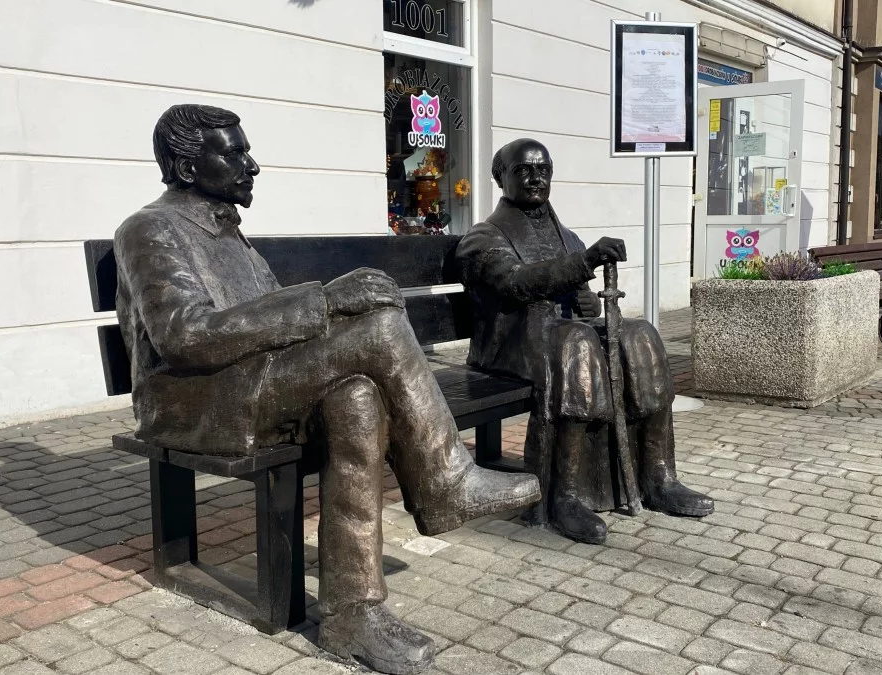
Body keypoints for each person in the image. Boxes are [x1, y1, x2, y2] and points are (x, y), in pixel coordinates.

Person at [113, 104, 541, 675]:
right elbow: (184, 336)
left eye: (247, 152)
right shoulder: (149, 230)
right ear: (189, 168)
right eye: (235, 154)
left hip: (245, 384)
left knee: (356, 398)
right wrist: (327, 300)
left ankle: (351, 614)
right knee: (381, 328)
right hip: (192, 403)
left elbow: (271, 322)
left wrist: (336, 309)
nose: (251, 165)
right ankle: (446, 482)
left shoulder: (229, 233)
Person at [455, 138, 714, 545]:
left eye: (543, 170)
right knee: (576, 343)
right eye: (523, 170)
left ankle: (658, 477)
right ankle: (564, 494)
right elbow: (516, 284)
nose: (536, 178)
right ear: (500, 177)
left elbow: (584, 302)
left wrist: (588, 299)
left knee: (640, 334)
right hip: (508, 345)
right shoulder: (483, 237)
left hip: (557, 338)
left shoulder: (567, 236)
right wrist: (585, 262)